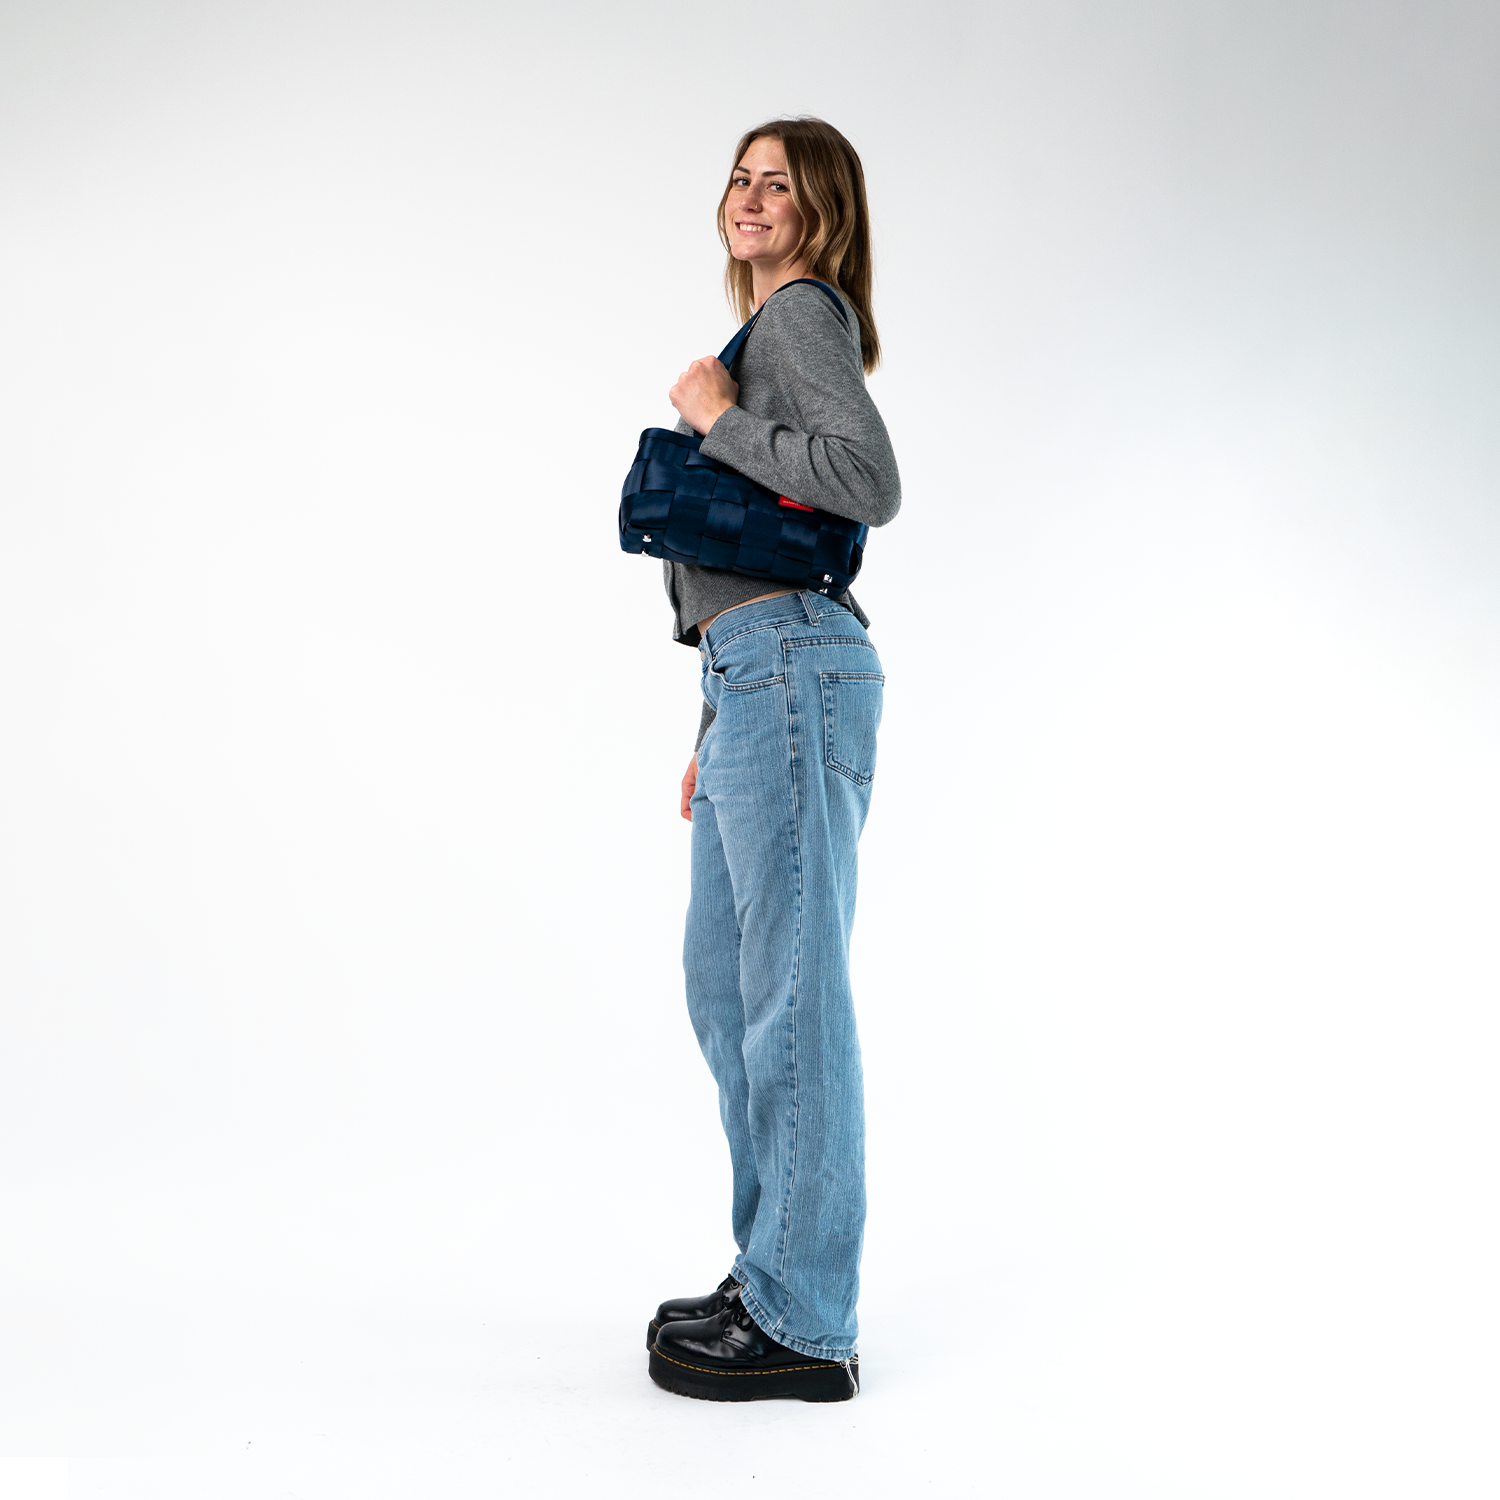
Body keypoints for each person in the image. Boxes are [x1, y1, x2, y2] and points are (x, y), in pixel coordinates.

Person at [643, 117, 901, 1403]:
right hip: (754, 682)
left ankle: (805, 1317)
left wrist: (714, 417)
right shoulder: (768, 334)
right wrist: (711, 727)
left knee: (789, 994)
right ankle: (771, 1267)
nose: (751, 197)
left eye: (778, 183)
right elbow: (753, 550)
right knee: (726, 986)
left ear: (820, 210)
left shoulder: (800, 315)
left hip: (792, 669)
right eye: (740, 178)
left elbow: (865, 482)